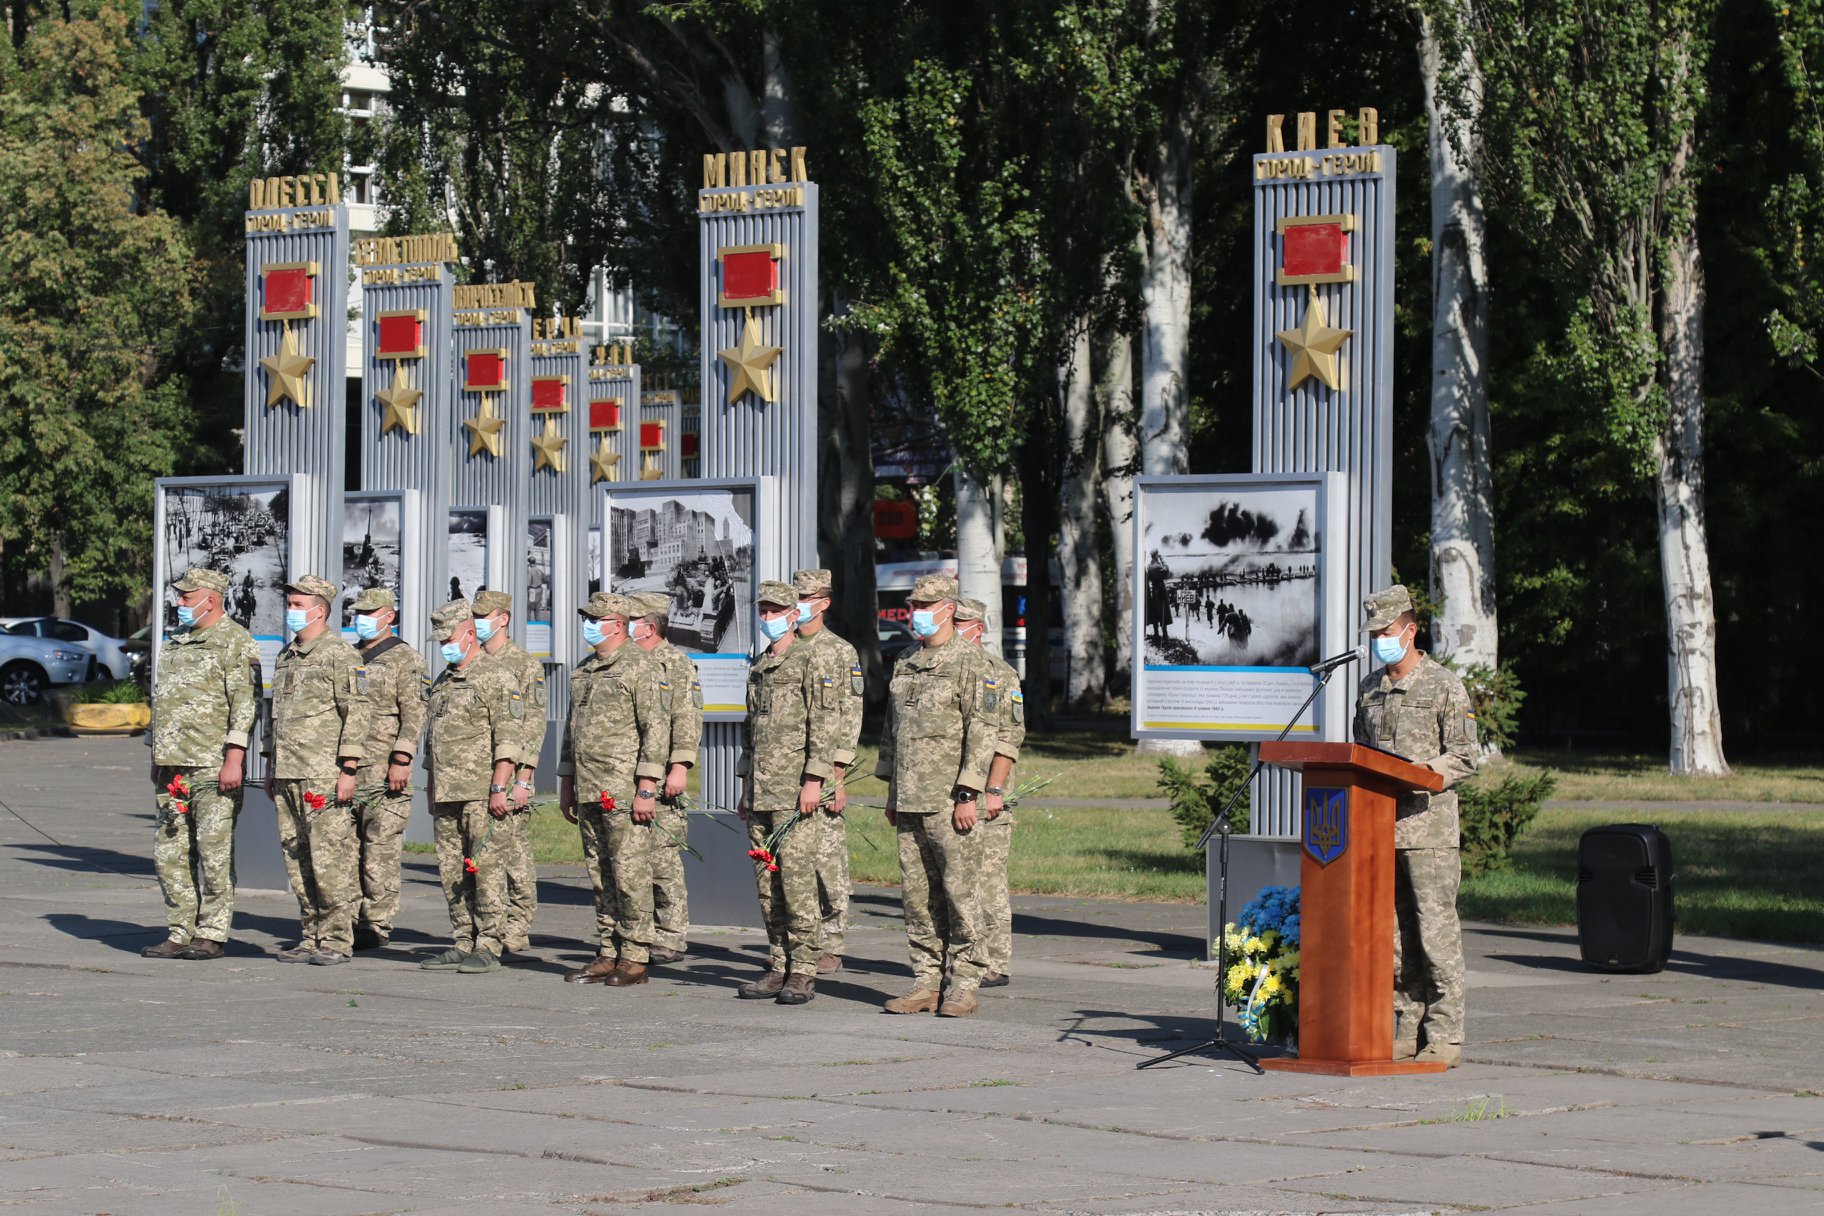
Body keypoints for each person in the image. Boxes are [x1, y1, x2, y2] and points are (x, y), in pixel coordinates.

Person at [1353, 585, 1479, 1067]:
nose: (1379, 642)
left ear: (1410, 630)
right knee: (1394, 938)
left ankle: (1444, 1034)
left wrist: (1424, 772)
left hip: (1428, 831)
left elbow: (1464, 756)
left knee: (1435, 934)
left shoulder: (1443, 685)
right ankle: (1406, 1026)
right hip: (1379, 827)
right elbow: (1360, 752)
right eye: (1374, 635)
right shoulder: (1369, 689)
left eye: (1386, 632)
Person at [874, 573, 999, 1018]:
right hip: (910, 797)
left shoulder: (972, 662)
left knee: (960, 894)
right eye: (914, 606)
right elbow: (893, 728)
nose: (917, 613)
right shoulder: (906, 660)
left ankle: (964, 983)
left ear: (948, 609)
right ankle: (926, 981)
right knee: (917, 897)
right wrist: (891, 789)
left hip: (949, 800)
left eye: (926, 606)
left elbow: (982, 732)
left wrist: (969, 793)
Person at [733, 581, 844, 1005]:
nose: (767, 618)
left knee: (797, 884)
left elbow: (825, 725)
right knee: (768, 886)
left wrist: (815, 780)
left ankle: (803, 972)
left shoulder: (811, 660)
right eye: (763, 611)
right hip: (762, 791)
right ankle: (778, 965)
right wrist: (746, 783)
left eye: (776, 611)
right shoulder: (761, 664)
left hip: (795, 792)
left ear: (793, 615)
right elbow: (751, 730)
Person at [142, 567, 261, 961]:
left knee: (214, 853)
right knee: (170, 853)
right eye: (179, 595)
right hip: (172, 765)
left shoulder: (235, 640)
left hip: (212, 765)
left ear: (210, 599)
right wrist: (156, 754)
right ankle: (180, 930)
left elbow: (245, 704)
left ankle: (210, 933)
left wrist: (234, 758)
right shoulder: (175, 641)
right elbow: (162, 700)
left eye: (187, 597)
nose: (179, 602)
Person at [557, 593, 667, 986]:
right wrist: (566, 781)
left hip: (623, 788)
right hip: (589, 786)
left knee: (629, 872)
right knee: (600, 874)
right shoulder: (584, 670)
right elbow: (571, 731)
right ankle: (609, 949)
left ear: (618, 624)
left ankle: (635, 956)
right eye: (586, 619)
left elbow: (656, 729)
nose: (588, 626)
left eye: (595, 620)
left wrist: (647, 786)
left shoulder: (641, 665)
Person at [263, 575, 373, 966]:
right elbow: (275, 714)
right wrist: (270, 763)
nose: (290, 611)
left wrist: (349, 769)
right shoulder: (286, 655)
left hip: (322, 774)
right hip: (288, 771)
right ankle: (310, 936)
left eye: (298, 605)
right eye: (290, 604)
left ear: (320, 610)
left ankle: (338, 939)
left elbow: (357, 713)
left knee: (330, 859)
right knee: (298, 860)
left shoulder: (340, 654)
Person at [420, 599, 522, 974]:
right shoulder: (444, 681)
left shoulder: (497, 677)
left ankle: (489, 945)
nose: (444, 646)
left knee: (487, 870)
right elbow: (433, 740)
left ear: (467, 634)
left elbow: (509, 739)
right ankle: (463, 940)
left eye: (448, 639)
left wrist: (499, 787)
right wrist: (431, 785)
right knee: (452, 872)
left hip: (481, 793)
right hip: (448, 792)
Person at [789, 568, 864, 974]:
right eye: (795, 597)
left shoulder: (839, 651)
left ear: (823, 603)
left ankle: (831, 942)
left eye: (805, 598)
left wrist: (836, 776)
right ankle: (798, 941)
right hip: (785, 772)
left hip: (824, 770)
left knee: (827, 859)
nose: (798, 605)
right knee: (792, 863)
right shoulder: (782, 647)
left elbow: (849, 717)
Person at [347, 586, 427, 951]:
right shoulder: (349, 656)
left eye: (369, 613)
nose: (362, 619)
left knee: (379, 849)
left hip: (384, 769)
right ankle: (347, 918)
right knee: (348, 849)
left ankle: (376, 922)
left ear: (389, 616)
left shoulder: (406, 659)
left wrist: (402, 759)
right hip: (350, 768)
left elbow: (414, 714)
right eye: (359, 613)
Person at [953, 596, 1025, 989]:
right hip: (953, 793)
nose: (952, 628)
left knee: (988, 879)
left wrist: (994, 788)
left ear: (977, 629)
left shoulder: (1001, 673)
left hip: (989, 796)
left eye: (959, 623)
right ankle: (965, 956)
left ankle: (995, 961)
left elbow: (1009, 736)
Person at [471, 590, 548, 953]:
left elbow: (533, 725)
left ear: (503, 619)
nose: (476, 622)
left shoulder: (523, 665)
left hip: (512, 774)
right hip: (475, 774)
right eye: (474, 616)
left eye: (483, 616)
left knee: (514, 852)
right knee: (482, 855)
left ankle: (517, 924)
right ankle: (488, 922)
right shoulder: (471, 660)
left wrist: (523, 778)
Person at [629, 591, 701, 964]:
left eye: (632, 620)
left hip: (661, 778)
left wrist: (679, 767)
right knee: (631, 860)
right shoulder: (626, 663)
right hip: (627, 773)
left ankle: (670, 936)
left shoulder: (675, 664)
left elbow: (686, 718)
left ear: (650, 626)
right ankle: (638, 932)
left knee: (662, 860)